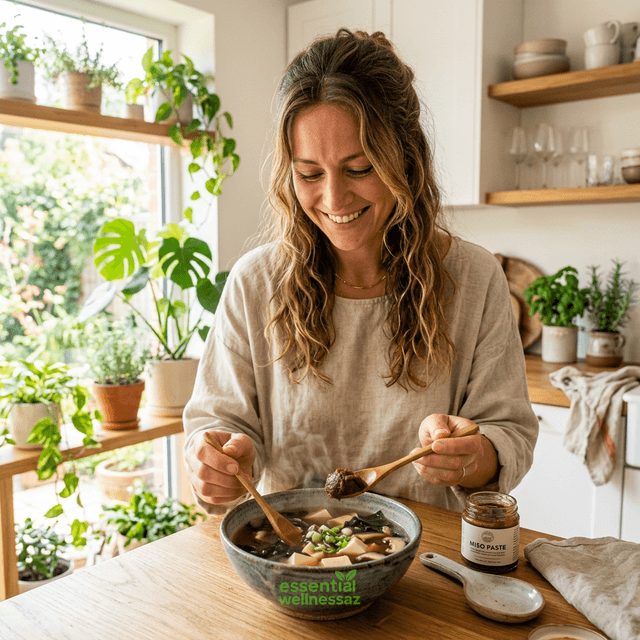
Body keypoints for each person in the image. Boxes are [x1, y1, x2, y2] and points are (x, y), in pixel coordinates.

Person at [183, 28, 538, 514]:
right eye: (309, 173)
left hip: (431, 560)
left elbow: (510, 431)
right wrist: (220, 463)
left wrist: (475, 456)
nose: (333, 199)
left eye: (359, 168)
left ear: (406, 159)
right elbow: (218, 424)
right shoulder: (254, 284)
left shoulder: (474, 278)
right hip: (291, 560)